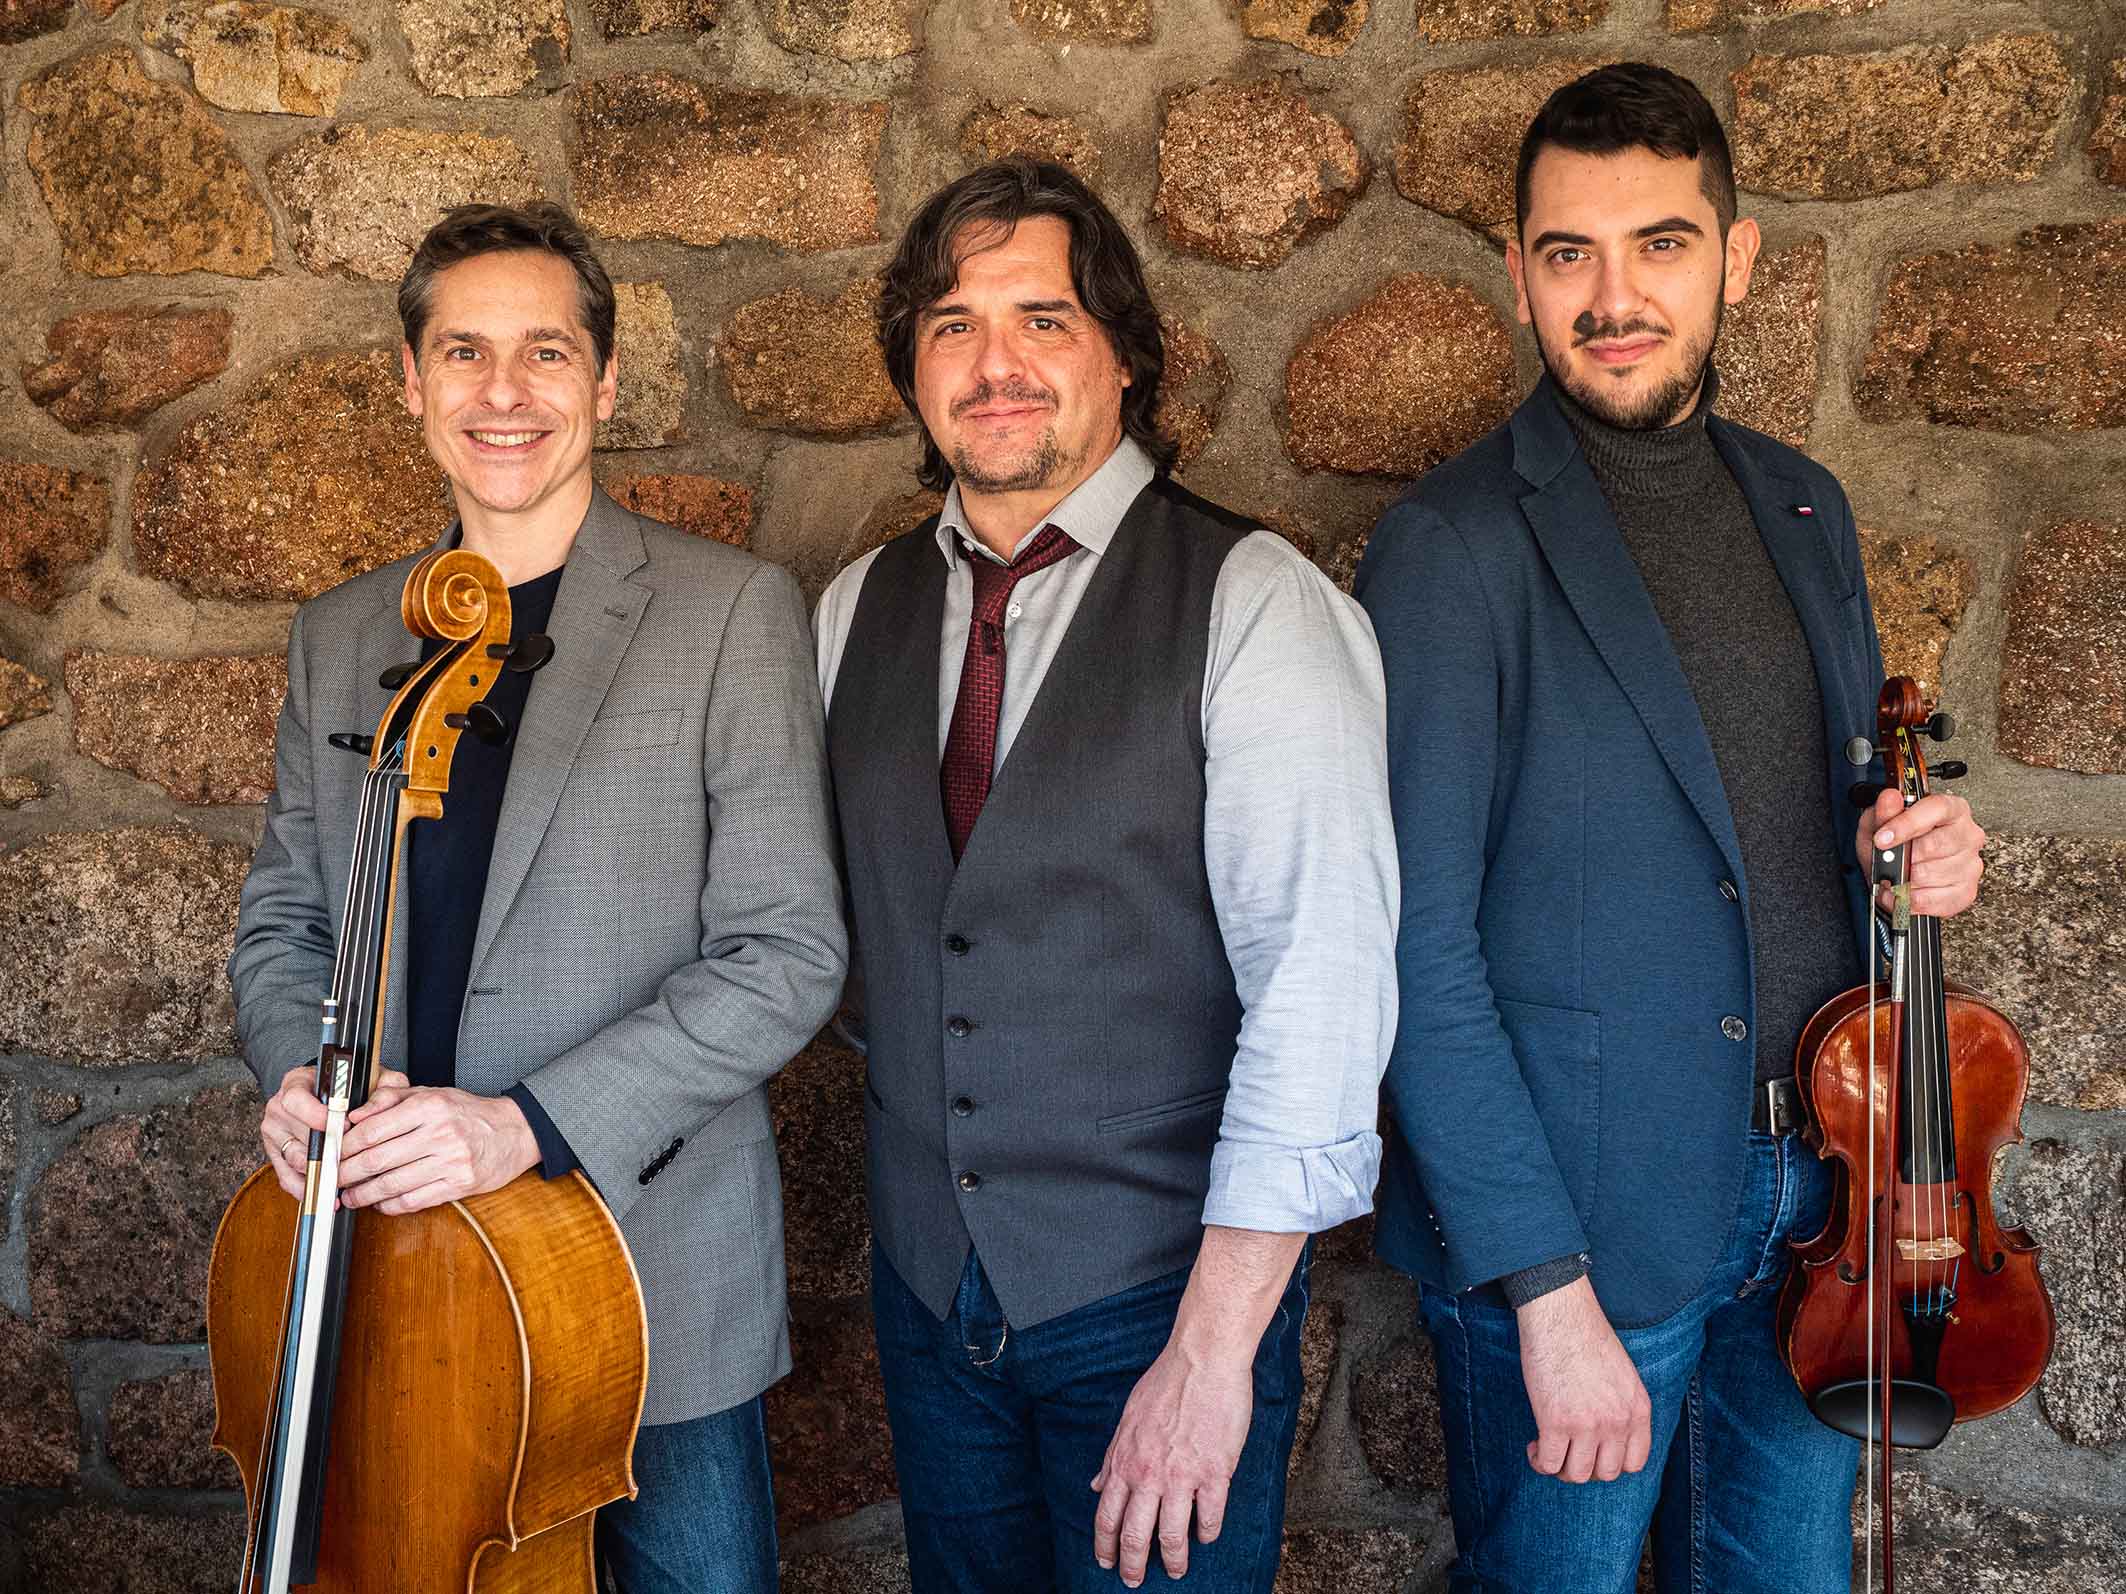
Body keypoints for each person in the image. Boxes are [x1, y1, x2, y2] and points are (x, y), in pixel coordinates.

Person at [1355, 64, 1989, 1594]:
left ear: (1735, 259)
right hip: (1580, 1227)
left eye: (1659, 243)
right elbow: (1412, 950)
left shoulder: (1805, 507)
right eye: (1566, 251)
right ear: (1517, 273)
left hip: (1817, 1206)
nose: (1612, 295)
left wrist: (1910, 861)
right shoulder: (1446, 545)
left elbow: (1810, 825)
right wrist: (1541, 1285)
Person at [229, 201, 846, 1594]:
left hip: (646, 1274)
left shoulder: (729, 611)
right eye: (463, 352)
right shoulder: (341, 634)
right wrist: (293, 1072)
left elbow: (786, 953)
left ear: (605, 382)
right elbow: (285, 919)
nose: (502, 392)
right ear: (412, 382)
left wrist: (527, 1125)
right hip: (394, 1272)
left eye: (546, 352)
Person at [811, 159, 1397, 1594]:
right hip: (930, 1298)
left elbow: (1319, 990)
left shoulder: (1254, 601)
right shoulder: (851, 611)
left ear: (1125, 355)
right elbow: (856, 948)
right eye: (951, 325)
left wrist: (1212, 1352)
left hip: (1155, 1308)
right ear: (912, 370)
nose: (994, 364)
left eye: (1042, 319)